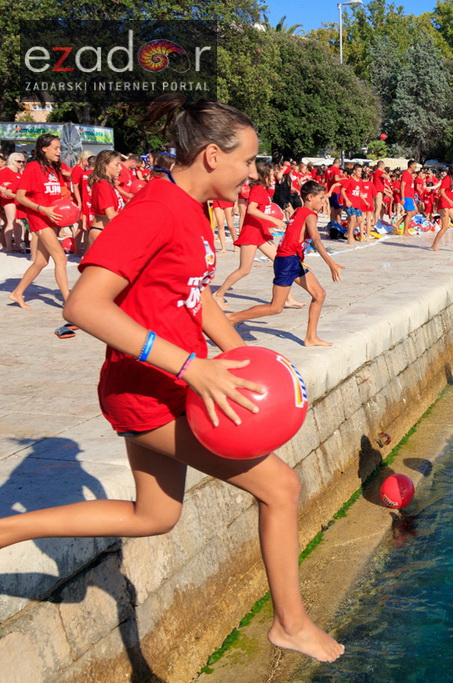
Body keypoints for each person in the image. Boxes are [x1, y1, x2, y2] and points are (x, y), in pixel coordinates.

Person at [0, 95, 344, 663]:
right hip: (146, 392)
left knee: (154, 516)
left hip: (173, 385)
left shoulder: (190, 210)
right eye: (249, 161)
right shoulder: (155, 209)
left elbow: (196, 293)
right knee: (281, 489)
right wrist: (192, 366)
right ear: (212, 156)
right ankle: (291, 623)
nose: (255, 174)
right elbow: (83, 306)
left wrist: (246, 358)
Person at [226, 181, 341, 346]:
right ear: (310, 197)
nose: (323, 202)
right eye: (321, 198)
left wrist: (299, 260)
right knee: (275, 307)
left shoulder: (298, 212)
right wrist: (331, 263)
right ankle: (232, 318)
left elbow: (292, 238)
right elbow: (316, 240)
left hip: (291, 260)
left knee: (319, 294)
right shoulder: (309, 214)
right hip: (288, 262)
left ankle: (310, 338)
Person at [212, 160, 287, 308]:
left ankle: (287, 297)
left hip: (261, 233)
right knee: (244, 269)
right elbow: (251, 210)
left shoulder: (264, 190)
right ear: (263, 175)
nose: (272, 178)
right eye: (270, 175)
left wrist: (268, 228)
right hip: (252, 234)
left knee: (281, 262)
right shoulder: (258, 189)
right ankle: (218, 294)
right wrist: (274, 220)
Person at [8, 134, 70, 311]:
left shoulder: (54, 169)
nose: (59, 152)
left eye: (60, 148)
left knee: (41, 262)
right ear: (44, 149)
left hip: (53, 217)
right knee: (61, 258)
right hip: (39, 217)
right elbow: (20, 197)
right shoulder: (33, 167)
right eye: (56, 148)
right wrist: (43, 210)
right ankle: (68, 300)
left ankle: (17, 292)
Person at [87, 150, 125, 249]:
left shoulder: (107, 184)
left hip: (105, 231)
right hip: (100, 231)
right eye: (117, 165)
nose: (120, 168)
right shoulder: (103, 184)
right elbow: (111, 214)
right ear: (105, 165)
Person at [0, 152, 27, 253]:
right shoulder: (5, 171)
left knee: (19, 222)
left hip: (18, 199)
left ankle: (17, 245)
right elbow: (1, 187)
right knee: (11, 222)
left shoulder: (21, 173)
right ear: (12, 161)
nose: (21, 163)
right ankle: (8, 246)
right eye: (19, 161)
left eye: (23, 161)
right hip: (9, 199)